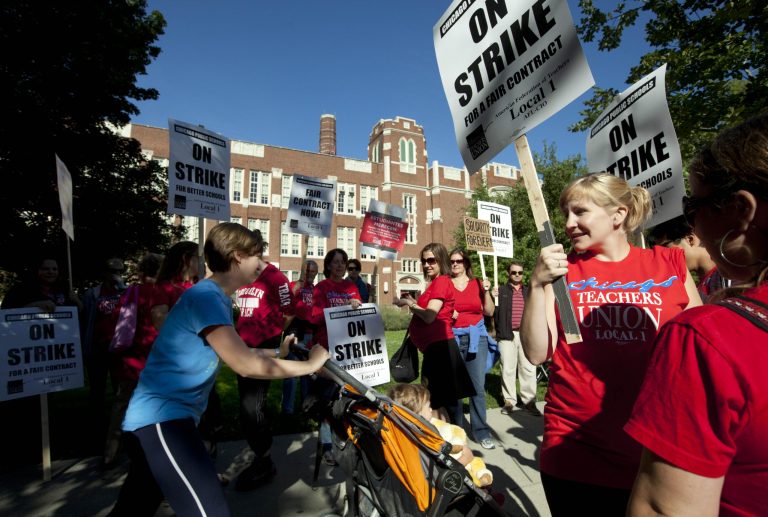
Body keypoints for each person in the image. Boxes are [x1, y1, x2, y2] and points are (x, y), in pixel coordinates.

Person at [108, 222, 329, 517]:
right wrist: (310, 366)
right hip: (163, 420)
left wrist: (278, 351)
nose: (262, 265)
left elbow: (232, 351)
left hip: (163, 419)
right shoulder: (207, 297)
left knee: (133, 509)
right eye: (258, 257)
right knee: (209, 511)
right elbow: (245, 365)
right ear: (238, 257)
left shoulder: (214, 297)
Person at [520, 173, 702, 516]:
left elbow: (699, 348)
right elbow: (535, 353)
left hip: (656, 448)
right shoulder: (559, 272)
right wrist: (535, 285)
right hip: (575, 448)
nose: (569, 223)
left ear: (618, 215)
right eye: (565, 214)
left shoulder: (668, 263)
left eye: (580, 212)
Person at [626, 113, 768, 516]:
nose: (692, 227)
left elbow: (662, 507)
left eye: (693, 207)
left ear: (741, 210)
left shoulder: (705, 339)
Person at [232, 234, 295, 490]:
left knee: (252, 407)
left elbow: (289, 310)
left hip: (265, 349)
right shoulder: (243, 275)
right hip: (242, 349)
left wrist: (274, 332)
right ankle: (260, 453)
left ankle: (264, 460)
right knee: (246, 406)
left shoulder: (275, 277)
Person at [395, 243, 474, 422]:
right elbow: (444, 310)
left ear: (441, 260)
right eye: (423, 261)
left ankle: (451, 444)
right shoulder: (437, 283)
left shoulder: (441, 281)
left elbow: (430, 316)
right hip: (436, 349)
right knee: (442, 403)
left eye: (431, 260)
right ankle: (450, 442)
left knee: (440, 404)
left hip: (441, 350)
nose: (426, 265)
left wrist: (410, 304)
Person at [103, 253, 163, 468]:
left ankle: (111, 452)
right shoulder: (164, 293)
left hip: (132, 360)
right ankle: (153, 454)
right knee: (157, 410)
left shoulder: (131, 293)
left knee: (121, 407)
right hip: (157, 362)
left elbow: (116, 323)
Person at [309, 248, 362, 465]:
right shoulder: (322, 288)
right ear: (328, 265)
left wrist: (357, 306)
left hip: (348, 350)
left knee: (348, 398)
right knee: (326, 400)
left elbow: (360, 311)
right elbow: (313, 316)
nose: (340, 266)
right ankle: (328, 446)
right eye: (336, 262)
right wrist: (337, 311)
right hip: (326, 351)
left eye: (343, 262)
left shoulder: (351, 287)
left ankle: (348, 440)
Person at [387, 383, 493, 488]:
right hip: (441, 484)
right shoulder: (425, 438)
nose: (431, 410)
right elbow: (438, 472)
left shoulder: (400, 433)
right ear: (418, 415)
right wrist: (466, 458)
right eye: (428, 406)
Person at [448, 248, 496, 449]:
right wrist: (450, 312)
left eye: (459, 261)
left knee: (477, 388)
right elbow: (439, 308)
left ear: (466, 263)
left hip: (478, 338)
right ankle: (456, 433)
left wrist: (486, 291)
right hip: (454, 338)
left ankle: (481, 431)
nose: (455, 264)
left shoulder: (477, 283)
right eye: (452, 262)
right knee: (456, 390)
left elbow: (489, 311)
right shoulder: (445, 284)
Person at [81, 257, 126, 447]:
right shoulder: (93, 294)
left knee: (120, 390)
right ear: (104, 273)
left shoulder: (126, 292)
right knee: (97, 389)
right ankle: (97, 427)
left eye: (120, 271)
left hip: (118, 350)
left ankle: (119, 430)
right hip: (98, 349)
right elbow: (84, 318)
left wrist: (122, 288)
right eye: (112, 270)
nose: (116, 274)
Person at [492, 261, 541, 417]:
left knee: (528, 368)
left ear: (523, 273)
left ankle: (529, 401)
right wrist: (489, 295)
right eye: (514, 272)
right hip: (507, 334)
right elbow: (490, 311)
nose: (517, 275)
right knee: (507, 369)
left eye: (520, 272)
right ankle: (509, 401)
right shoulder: (499, 291)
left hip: (527, 334)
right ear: (508, 273)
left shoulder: (529, 291)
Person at [649, 215, 729, 301]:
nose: (661, 256)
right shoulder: (695, 291)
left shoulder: (731, 273)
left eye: (664, 247)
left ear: (690, 239)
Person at [282, 259, 319, 414]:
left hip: (310, 334)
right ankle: (287, 410)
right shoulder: (292, 286)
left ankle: (306, 408)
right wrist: (295, 289)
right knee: (291, 374)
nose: (309, 274)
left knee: (307, 373)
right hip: (294, 333)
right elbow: (285, 305)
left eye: (312, 271)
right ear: (302, 271)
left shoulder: (317, 290)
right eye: (307, 271)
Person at [1, 255, 79, 311]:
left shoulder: (65, 289)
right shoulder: (19, 290)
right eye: (45, 269)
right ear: (36, 271)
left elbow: (79, 313)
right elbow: (6, 314)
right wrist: (34, 306)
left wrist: (77, 302)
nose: (51, 272)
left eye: (54, 269)